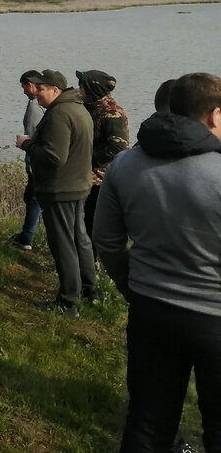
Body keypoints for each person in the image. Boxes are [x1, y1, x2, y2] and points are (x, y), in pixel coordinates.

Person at [94, 73, 221, 451]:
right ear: (214, 116)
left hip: (151, 311)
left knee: (148, 424)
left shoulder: (124, 164)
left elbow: (106, 239)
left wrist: (132, 285)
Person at [17, 69, 95, 313]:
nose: (37, 94)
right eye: (37, 89)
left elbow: (54, 157)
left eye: (41, 89)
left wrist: (26, 144)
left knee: (63, 244)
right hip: (79, 185)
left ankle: (68, 301)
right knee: (79, 239)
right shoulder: (78, 108)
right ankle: (89, 289)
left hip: (61, 188)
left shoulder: (59, 114)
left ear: (55, 90)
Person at [76, 69, 129, 245]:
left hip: (100, 180)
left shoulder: (112, 113)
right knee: (81, 222)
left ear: (93, 89)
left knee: (92, 223)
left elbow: (117, 147)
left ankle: (92, 263)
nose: (79, 90)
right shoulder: (90, 108)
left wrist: (85, 161)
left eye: (82, 87)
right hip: (86, 177)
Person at [9, 69, 46, 251]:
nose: (23, 91)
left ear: (30, 85)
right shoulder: (43, 103)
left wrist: (31, 163)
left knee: (34, 199)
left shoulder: (34, 105)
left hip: (37, 162)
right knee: (32, 197)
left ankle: (26, 239)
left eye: (24, 86)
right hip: (42, 160)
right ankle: (28, 235)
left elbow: (32, 136)